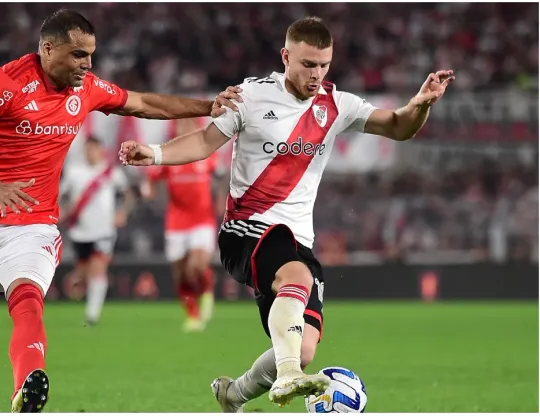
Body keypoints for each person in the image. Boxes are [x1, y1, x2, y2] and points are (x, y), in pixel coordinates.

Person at [119, 16, 454, 410]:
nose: (317, 74)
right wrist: (154, 154)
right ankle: (290, 376)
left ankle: (235, 393)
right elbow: (205, 143)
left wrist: (420, 105)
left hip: (297, 241)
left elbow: (399, 127)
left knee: (303, 346)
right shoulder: (251, 96)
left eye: (324, 65)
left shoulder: (338, 105)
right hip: (245, 229)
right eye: (308, 64)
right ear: (286, 57)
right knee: (295, 290)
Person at [0, 9, 240, 413]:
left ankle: (26, 387)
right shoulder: (7, 83)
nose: (86, 65)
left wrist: (207, 105)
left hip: (31, 221)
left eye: (90, 55)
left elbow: (141, 103)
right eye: (77, 55)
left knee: (28, 295)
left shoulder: (85, 88)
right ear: (48, 49)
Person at [142, 118, 223, 332]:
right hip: (176, 221)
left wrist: (222, 199)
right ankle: (193, 316)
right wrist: (149, 189)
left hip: (202, 219)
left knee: (195, 266)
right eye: (180, 125)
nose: (184, 128)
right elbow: (152, 174)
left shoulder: (206, 153)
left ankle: (206, 291)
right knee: (180, 274)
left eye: (188, 125)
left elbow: (221, 176)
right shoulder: (170, 155)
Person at [59, 136, 133, 326]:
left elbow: (128, 194)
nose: (91, 152)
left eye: (94, 149)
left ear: (101, 150)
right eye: (88, 149)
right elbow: (61, 195)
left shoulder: (111, 172)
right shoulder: (74, 171)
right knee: (84, 273)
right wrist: (62, 210)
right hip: (79, 230)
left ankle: (92, 314)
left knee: (98, 269)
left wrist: (122, 212)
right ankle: (78, 283)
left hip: (104, 230)